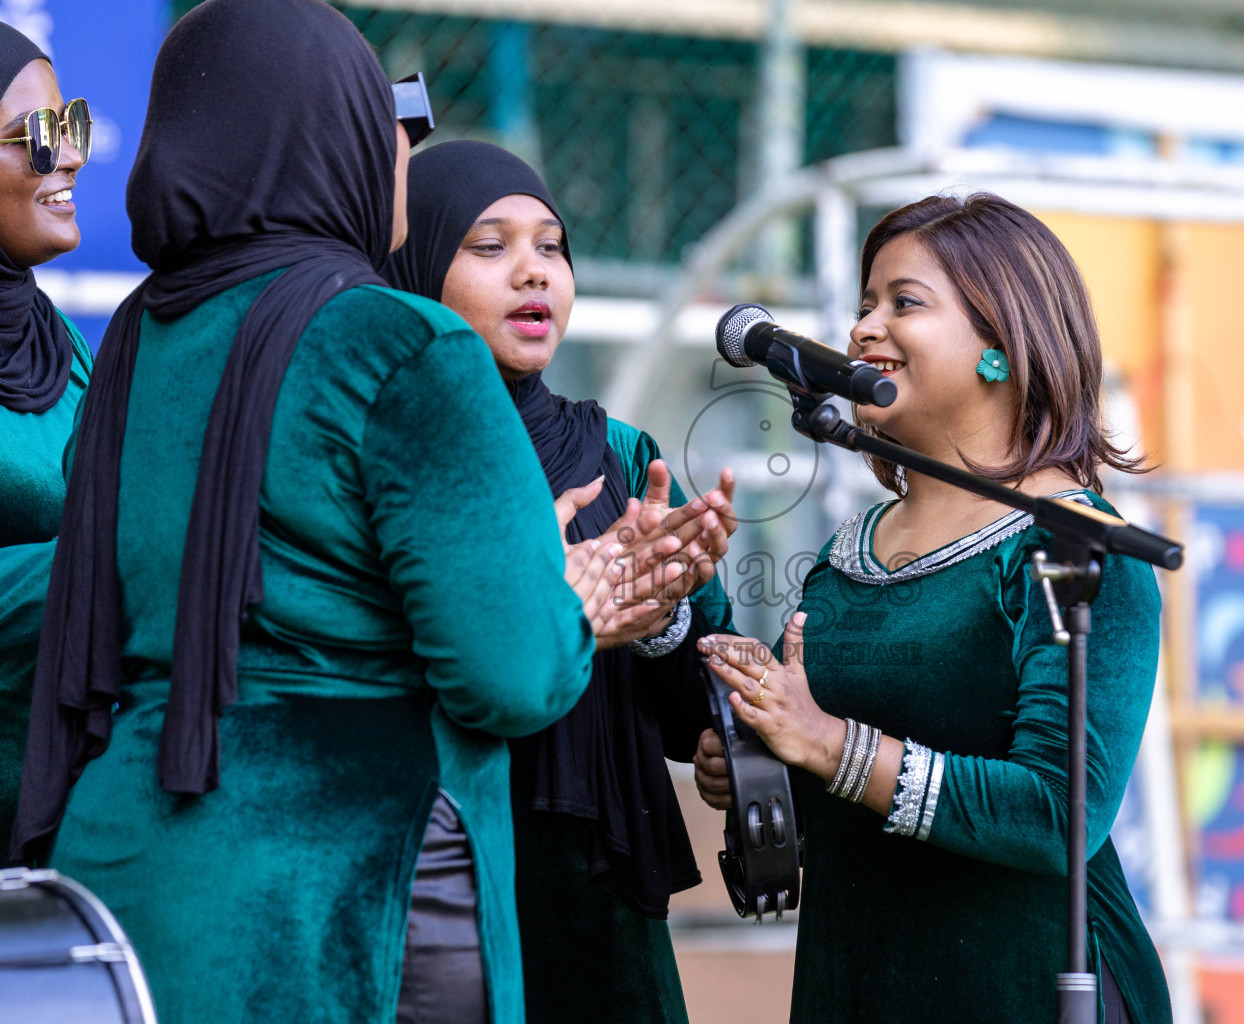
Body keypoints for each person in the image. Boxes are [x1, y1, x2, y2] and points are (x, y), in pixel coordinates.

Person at [10, 2, 615, 1022]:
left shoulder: (131, 340)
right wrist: (571, 600)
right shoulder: (402, 341)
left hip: (130, 866)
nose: (401, 156)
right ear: (322, 134)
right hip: (355, 899)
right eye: (377, 119)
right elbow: (510, 674)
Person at [693, 193, 1171, 1023]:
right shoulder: (854, 544)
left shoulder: (1079, 550)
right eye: (864, 305)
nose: (864, 330)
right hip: (857, 979)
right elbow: (810, 751)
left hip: (1023, 987)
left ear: (1002, 346)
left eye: (904, 303)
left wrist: (831, 745)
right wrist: (752, 759)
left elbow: (1059, 816)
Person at [385, 139, 738, 1024]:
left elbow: (700, 705)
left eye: (552, 246)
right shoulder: (389, 450)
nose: (533, 273)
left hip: (594, 889)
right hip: (434, 868)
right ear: (416, 263)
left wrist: (664, 617)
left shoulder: (623, 455)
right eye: (490, 247)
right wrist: (554, 609)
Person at [0, 20, 92, 849]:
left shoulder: (70, 353)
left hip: (63, 825)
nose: (66, 156)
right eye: (35, 134)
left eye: (69, 127)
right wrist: (96, 571)